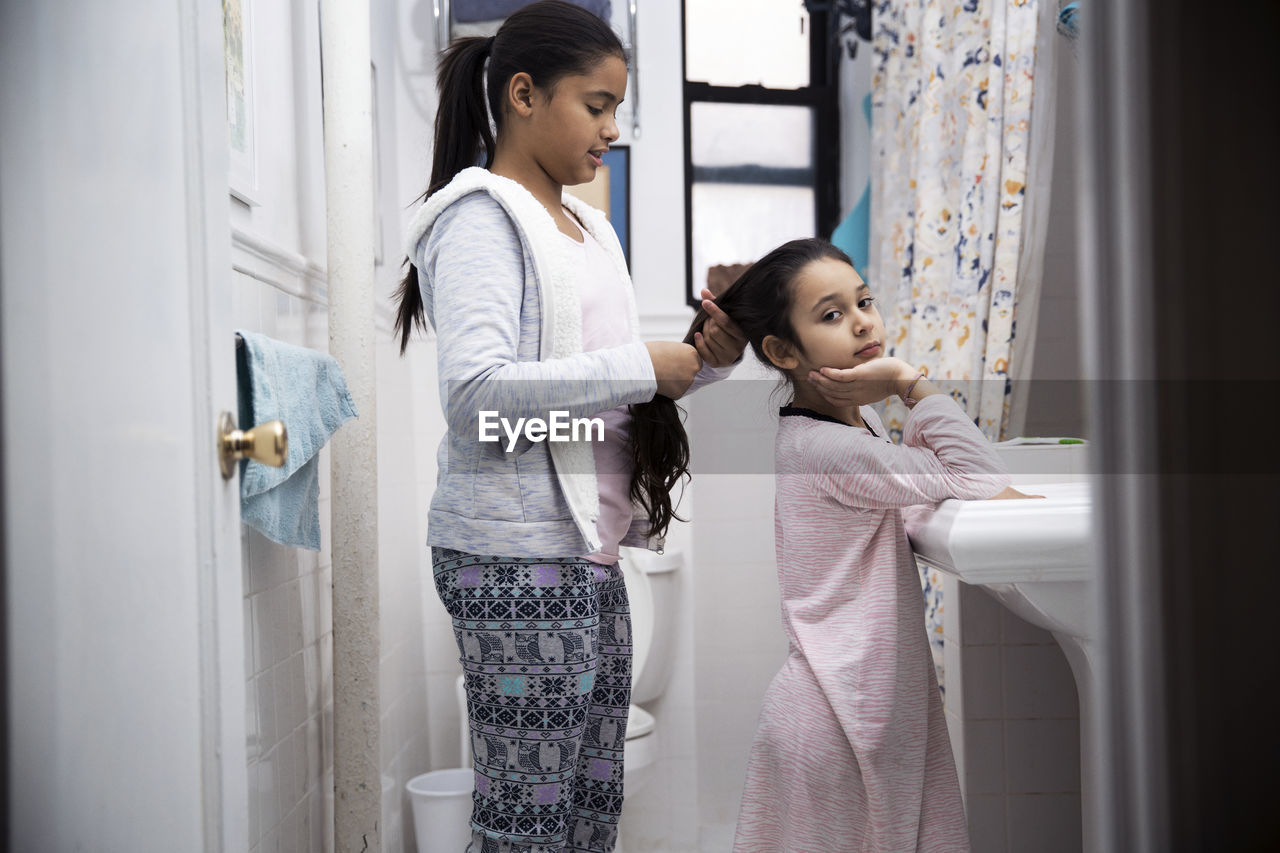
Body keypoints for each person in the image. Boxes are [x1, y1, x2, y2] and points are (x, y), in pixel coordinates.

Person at [393, 3, 745, 851]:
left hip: (586, 552)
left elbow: (610, 398)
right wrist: (640, 365)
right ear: (523, 94)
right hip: (512, 556)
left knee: (587, 815)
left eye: (617, 109)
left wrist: (713, 354)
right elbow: (478, 397)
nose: (612, 131)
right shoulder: (480, 219)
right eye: (596, 106)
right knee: (529, 824)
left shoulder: (588, 230)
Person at [684, 238, 1033, 852]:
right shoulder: (832, 448)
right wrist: (906, 381)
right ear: (781, 351)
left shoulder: (839, 431)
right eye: (831, 314)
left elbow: (945, 482)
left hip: (847, 701)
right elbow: (979, 478)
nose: (863, 321)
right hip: (839, 717)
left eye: (862, 300)